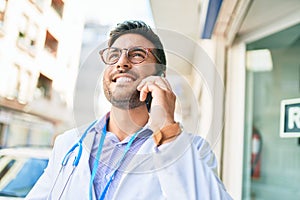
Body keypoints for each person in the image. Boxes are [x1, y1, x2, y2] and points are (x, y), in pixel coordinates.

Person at [26, 20, 232, 200]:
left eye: (137, 55)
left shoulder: (192, 150)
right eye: (113, 55)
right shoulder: (68, 144)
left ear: (160, 75)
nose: (122, 63)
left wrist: (167, 131)